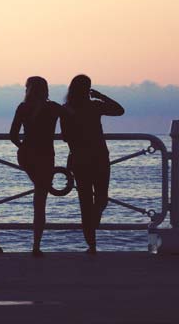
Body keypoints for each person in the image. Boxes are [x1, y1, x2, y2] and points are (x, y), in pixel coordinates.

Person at [61, 74, 124, 254]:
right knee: (100, 199)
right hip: (97, 157)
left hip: (82, 158)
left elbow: (65, 136)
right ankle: (92, 236)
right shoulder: (93, 106)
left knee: (86, 202)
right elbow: (119, 110)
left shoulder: (67, 109)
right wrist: (101, 95)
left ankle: (91, 241)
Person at [9, 76, 65, 257]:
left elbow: (13, 135)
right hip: (46, 156)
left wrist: (24, 147)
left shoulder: (23, 107)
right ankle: (36, 246)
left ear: (28, 89)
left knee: (39, 195)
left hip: (26, 156)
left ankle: (36, 246)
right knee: (40, 200)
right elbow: (71, 120)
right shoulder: (54, 107)